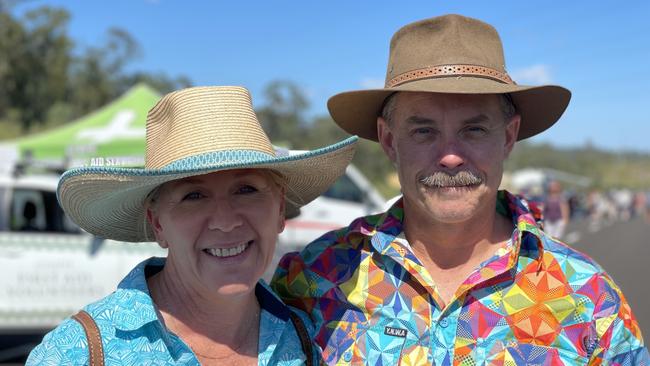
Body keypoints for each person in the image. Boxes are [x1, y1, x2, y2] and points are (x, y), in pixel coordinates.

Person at [271, 14, 649, 365]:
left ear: (509, 136)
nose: (450, 157)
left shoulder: (590, 298)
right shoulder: (314, 279)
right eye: (424, 131)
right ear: (389, 141)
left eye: (474, 130)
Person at [27, 86, 357, 365]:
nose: (226, 222)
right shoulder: (80, 352)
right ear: (157, 223)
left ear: (280, 209)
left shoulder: (307, 342)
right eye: (193, 195)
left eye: (246, 190)